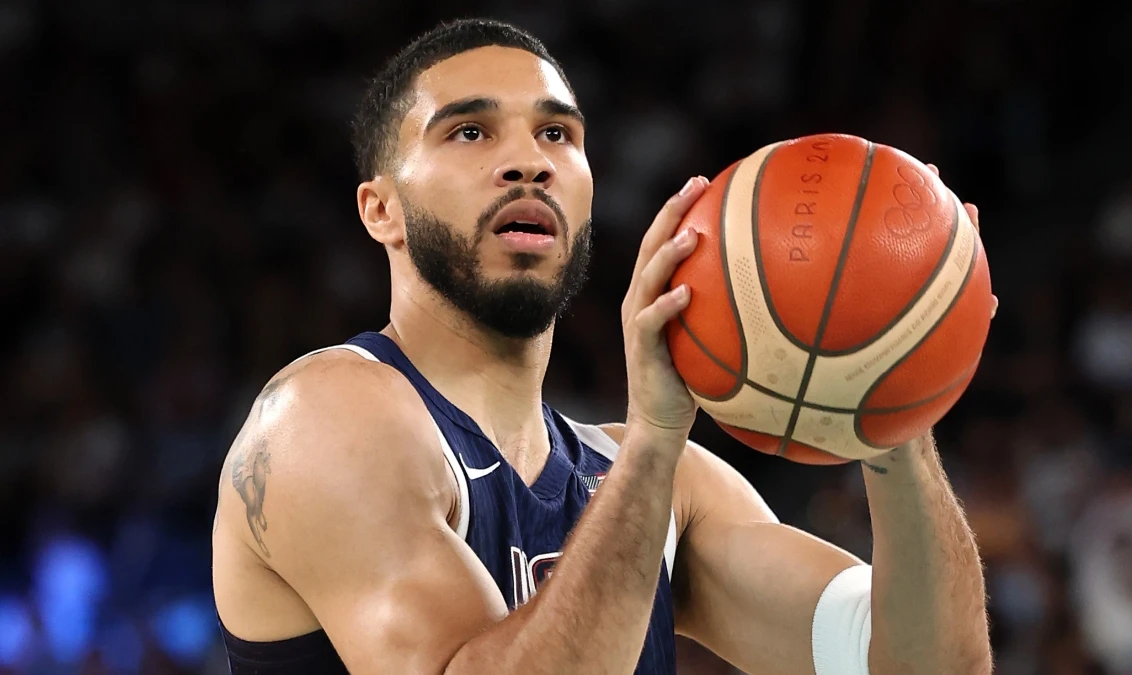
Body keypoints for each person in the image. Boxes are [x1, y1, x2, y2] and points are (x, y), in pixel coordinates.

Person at [211, 18, 994, 675]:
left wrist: (895, 390)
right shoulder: (323, 418)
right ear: (381, 210)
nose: (530, 160)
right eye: (470, 131)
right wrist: (654, 444)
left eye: (557, 132)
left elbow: (919, 664)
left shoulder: (653, 481)